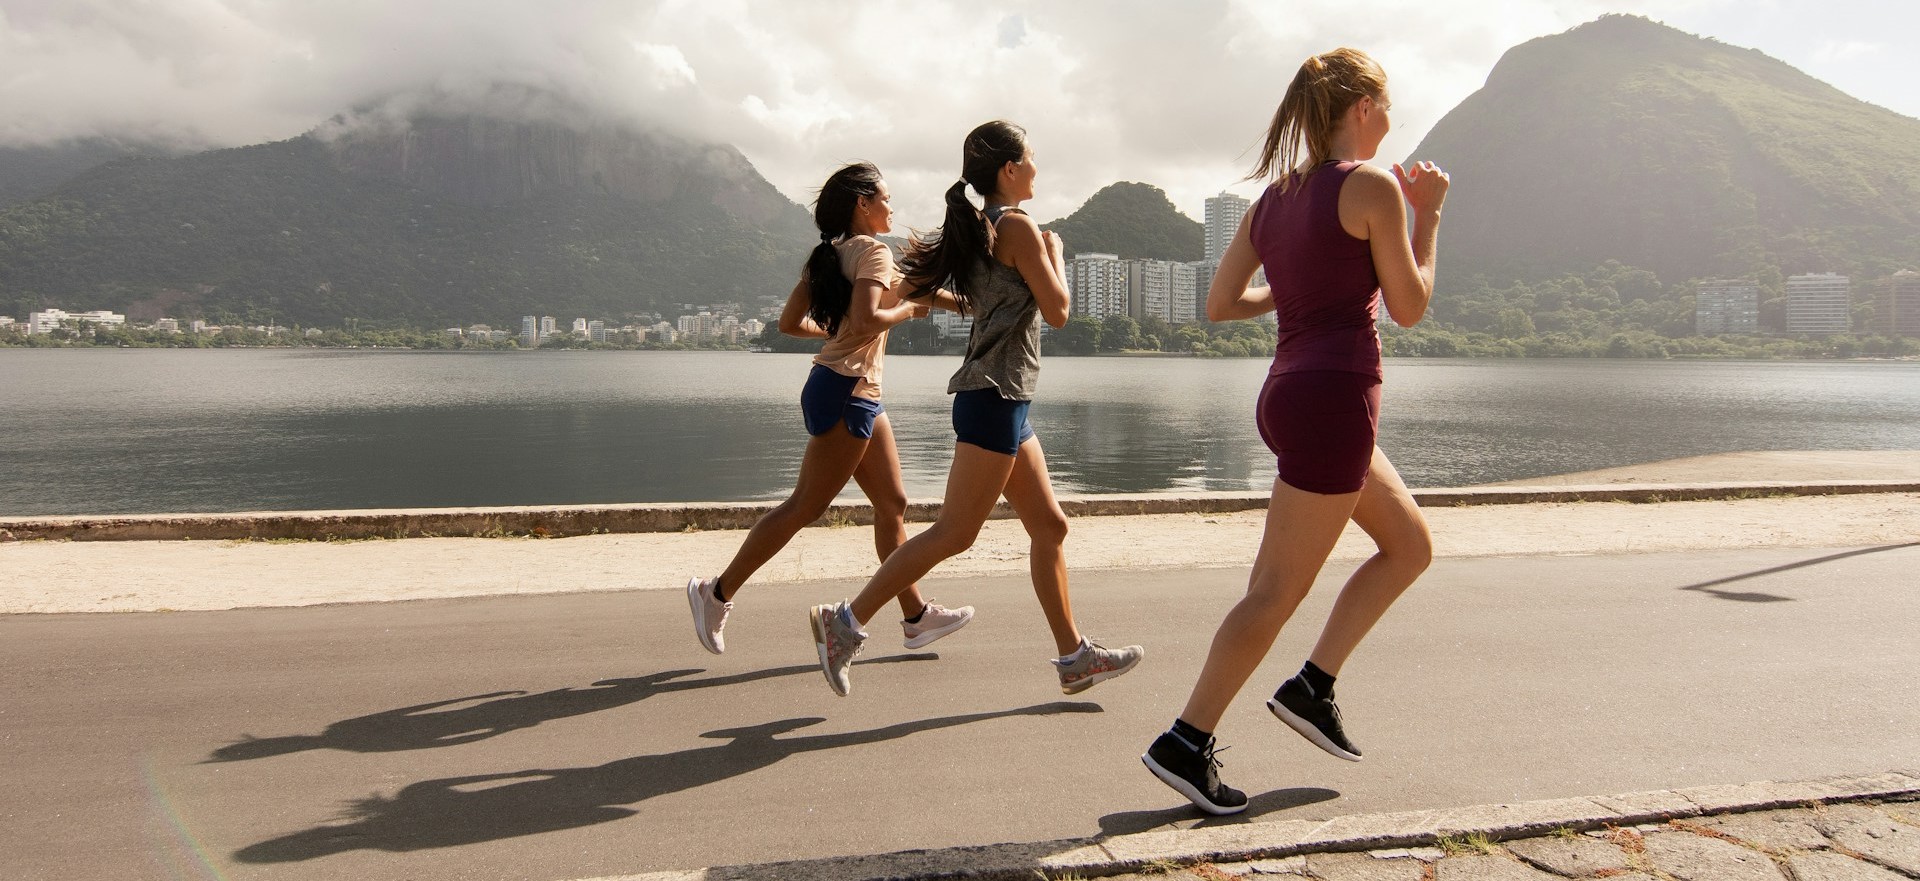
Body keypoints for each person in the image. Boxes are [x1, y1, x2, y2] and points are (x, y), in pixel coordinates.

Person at [1141, 48, 1449, 815]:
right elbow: (1410, 306)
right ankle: (1185, 738)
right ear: (1361, 107)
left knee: (1410, 544)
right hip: (1335, 400)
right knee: (1275, 590)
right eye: (1386, 104)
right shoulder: (1373, 187)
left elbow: (1220, 303)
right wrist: (1431, 216)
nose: (1391, 118)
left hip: (1288, 393)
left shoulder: (1272, 201)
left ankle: (1313, 686)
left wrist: (1300, 287)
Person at [806, 121, 1144, 698]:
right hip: (994, 398)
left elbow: (913, 288)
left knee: (1050, 526)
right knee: (955, 532)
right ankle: (846, 623)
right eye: (1030, 159)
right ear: (1009, 170)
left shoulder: (979, 226)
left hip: (1004, 398)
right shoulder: (1017, 226)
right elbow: (1059, 311)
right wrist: (1057, 254)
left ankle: (1074, 658)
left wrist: (964, 304)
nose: (1036, 169)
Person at [685, 162, 974, 656]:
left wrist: (980, 304)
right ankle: (715, 594)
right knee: (806, 505)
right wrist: (903, 313)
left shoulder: (831, 255)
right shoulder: (874, 253)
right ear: (862, 203)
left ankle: (916, 617)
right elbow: (868, 319)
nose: (891, 206)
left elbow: (790, 323)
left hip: (848, 387)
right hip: (847, 390)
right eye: (884, 198)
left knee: (892, 504)